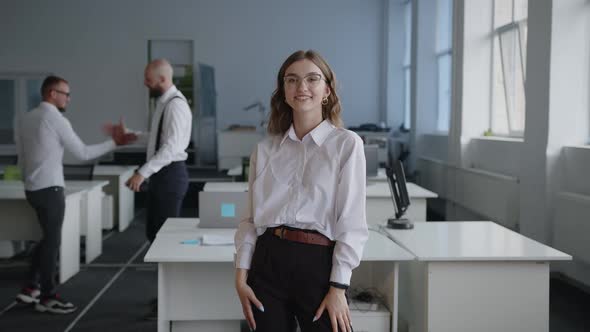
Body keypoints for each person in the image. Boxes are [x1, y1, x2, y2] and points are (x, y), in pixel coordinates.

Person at [234, 50, 368, 332]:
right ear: (283, 91)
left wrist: (339, 287)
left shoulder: (347, 145)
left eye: (312, 79)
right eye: (291, 80)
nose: (301, 87)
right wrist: (241, 275)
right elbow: (249, 219)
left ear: (327, 91)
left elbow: (352, 223)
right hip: (268, 260)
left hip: (318, 265)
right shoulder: (265, 149)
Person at [14, 75, 136, 314]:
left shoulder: (26, 118)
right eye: (65, 93)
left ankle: (30, 287)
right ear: (52, 93)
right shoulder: (55, 118)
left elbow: (21, 156)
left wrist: (28, 179)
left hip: (32, 188)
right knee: (52, 241)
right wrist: (115, 142)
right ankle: (47, 297)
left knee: (47, 238)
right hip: (50, 189)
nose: (68, 98)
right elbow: (82, 153)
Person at [117, 59, 191, 318]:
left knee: (165, 241)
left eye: (148, 78)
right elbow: (159, 137)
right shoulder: (164, 104)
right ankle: (166, 295)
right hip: (163, 176)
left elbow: (170, 148)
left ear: (161, 79)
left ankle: (172, 299)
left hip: (170, 176)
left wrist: (142, 172)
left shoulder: (177, 105)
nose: (144, 83)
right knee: (155, 235)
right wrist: (133, 136)